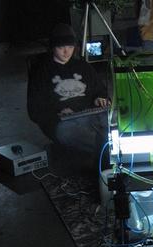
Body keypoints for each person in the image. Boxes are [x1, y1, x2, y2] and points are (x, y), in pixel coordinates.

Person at [27, 23, 110, 175]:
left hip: (90, 114)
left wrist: (100, 98)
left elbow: (100, 90)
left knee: (115, 120)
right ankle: (109, 153)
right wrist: (57, 112)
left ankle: (108, 150)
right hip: (62, 121)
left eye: (70, 47)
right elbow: (34, 109)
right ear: (53, 47)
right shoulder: (41, 71)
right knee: (69, 132)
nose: (66, 52)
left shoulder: (83, 66)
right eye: (61, 47)